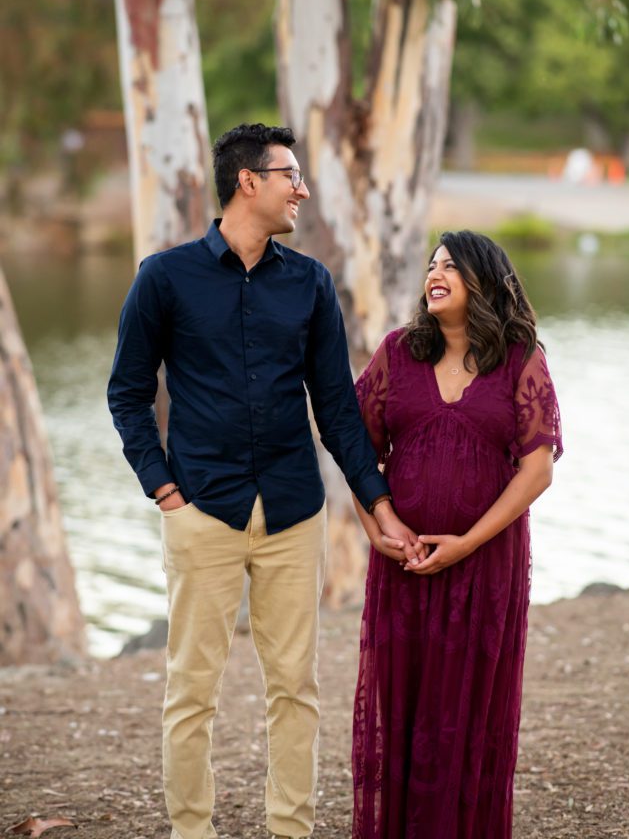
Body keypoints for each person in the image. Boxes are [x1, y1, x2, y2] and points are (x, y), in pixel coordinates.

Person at [107, 123, 424, 839]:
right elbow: (127, 392)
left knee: (296, 689)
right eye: (291, 176)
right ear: (248, 181)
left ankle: (292, 831)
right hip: (202, 510)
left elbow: (336, 406)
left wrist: (378, 502)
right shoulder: (164, 277)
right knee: (191, 692)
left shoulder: (309, 282)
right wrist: (163, 489)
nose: (302, 190)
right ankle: (193, 832)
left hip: (290, 510)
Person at [350, 230, 563, 839]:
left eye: (451, 266)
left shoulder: (519, 358)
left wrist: (467, 543)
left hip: (484, 567)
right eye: (431, 265)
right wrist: (378, 533)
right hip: (404, 566)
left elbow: (538, 469)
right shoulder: (397, 352)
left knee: (467, 717)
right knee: (407, 709)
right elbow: (358, 456)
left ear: (485, 281)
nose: (434, 273)